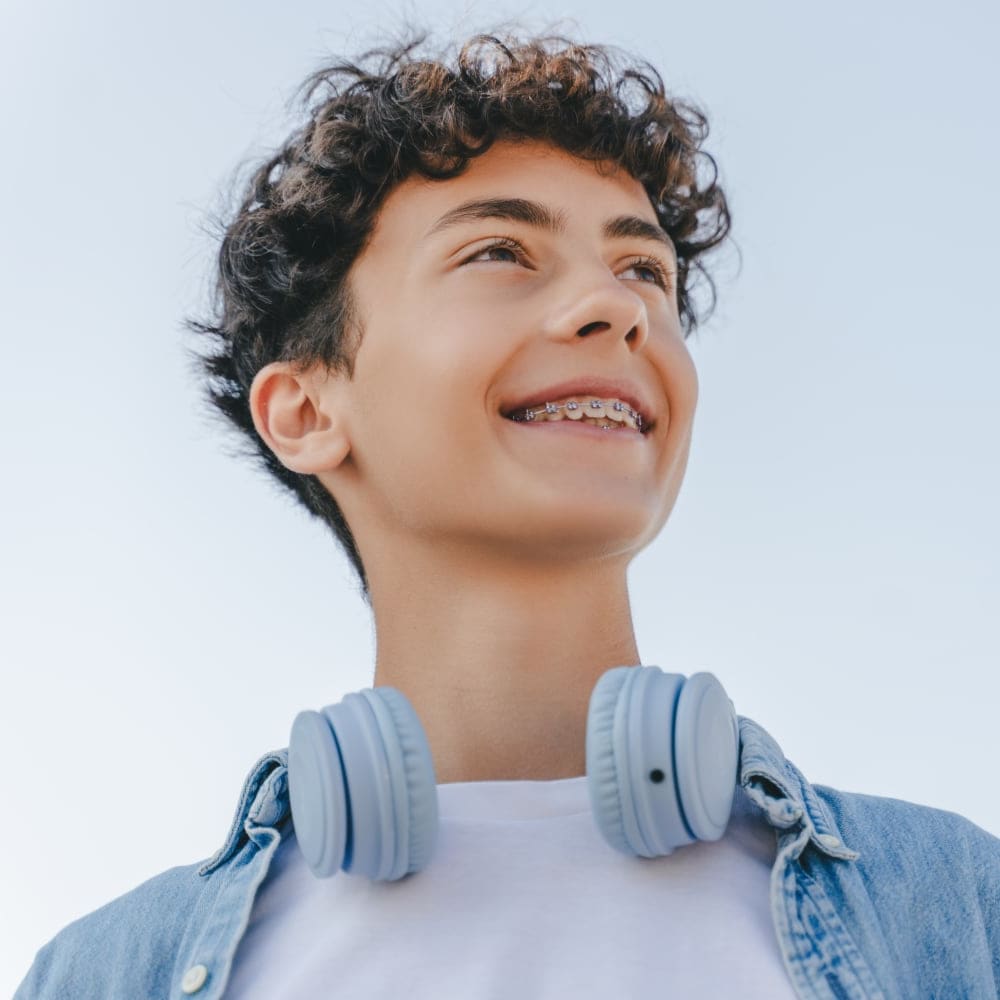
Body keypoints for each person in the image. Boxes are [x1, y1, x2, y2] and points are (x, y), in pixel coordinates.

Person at [15, 27, 1000, 1000]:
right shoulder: (100, 975)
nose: (616, 309)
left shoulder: (955, 901)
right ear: (308, 411)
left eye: (642, 271)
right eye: (500, 251)